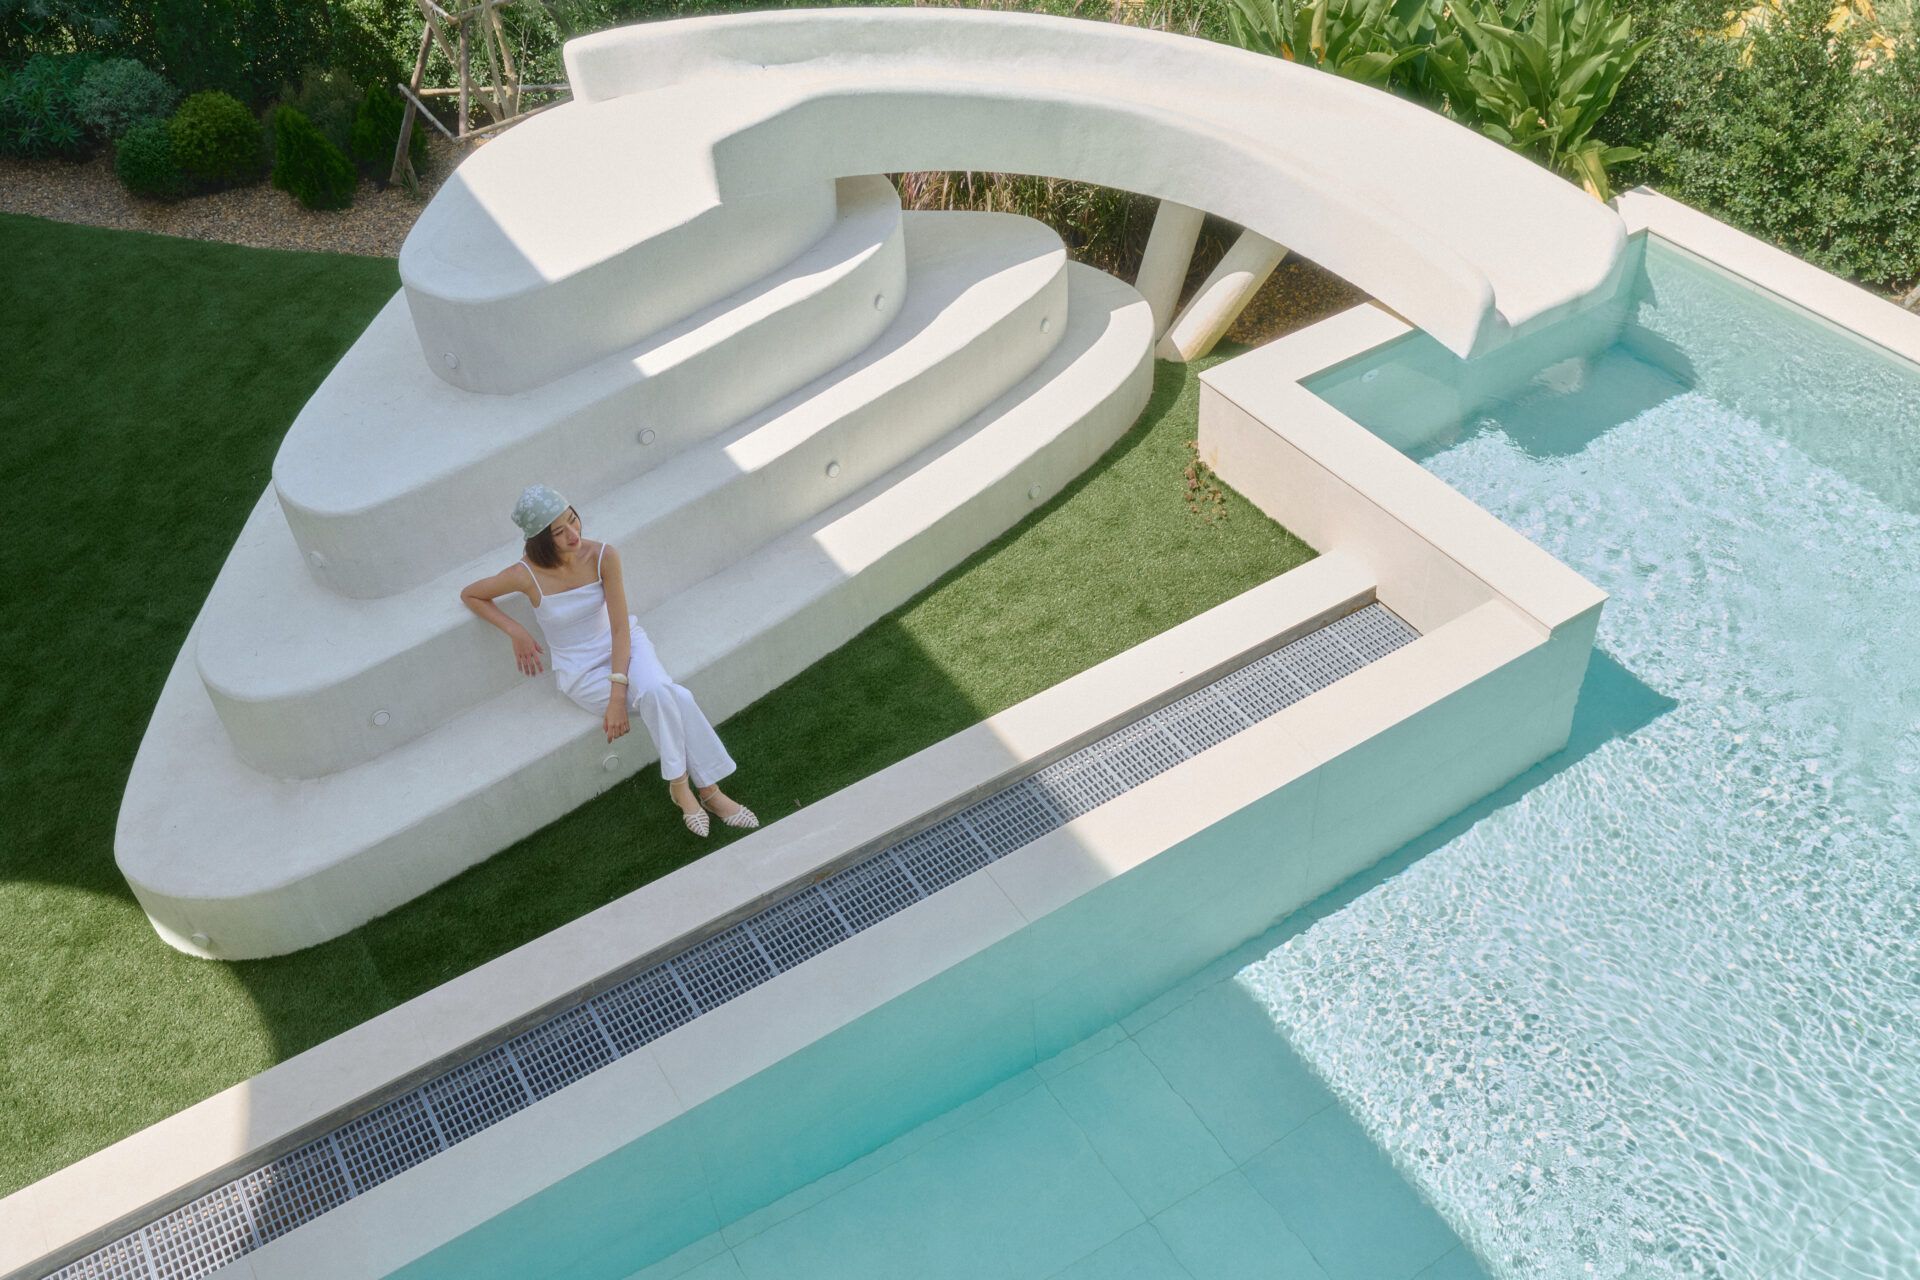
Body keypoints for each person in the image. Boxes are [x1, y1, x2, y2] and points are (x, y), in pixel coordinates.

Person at [459, 483, 758, 838]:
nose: (573, 534)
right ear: (541, 539)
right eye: (559, 531)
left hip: (626, 645)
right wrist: (517, 632)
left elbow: (619, 627)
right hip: (579, 670)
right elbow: (472, 594)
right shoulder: (525, 575)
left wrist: (618, 697)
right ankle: (709, 791)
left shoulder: (603, 556)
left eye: (574, 520)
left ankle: (684, 788)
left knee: (660, 692)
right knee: (674, 696)